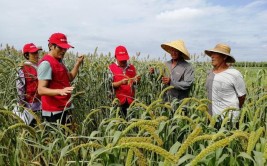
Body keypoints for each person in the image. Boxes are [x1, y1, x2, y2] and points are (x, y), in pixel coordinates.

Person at [37, 32, 84, 125]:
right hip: (54, 112)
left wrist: (78, 63)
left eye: (65, 48)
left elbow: (70, 77)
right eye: (60, 47)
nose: (63, 51)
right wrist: (60, 91)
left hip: (64, 107)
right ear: (51, 46)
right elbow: (41, 90)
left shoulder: (59, 62)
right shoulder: (46, 64)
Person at [205, 43, 246, 126]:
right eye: (211, 54)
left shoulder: (234, 74)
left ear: (224, 57)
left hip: (229, 121)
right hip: (213, 119)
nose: (212, 56)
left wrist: (234, 110)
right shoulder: (210, 73)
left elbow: (242, 96)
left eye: (215, 54)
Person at [13, 43, 42, 126]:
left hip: (43, 107)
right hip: (30, 108)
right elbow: (20, 90)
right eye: (33, 53)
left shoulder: (41, 66)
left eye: (37, 52)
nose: (37, 55)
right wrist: (21, 106)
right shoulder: (22, 70)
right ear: (26, 55)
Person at [109, 45, 140, 117]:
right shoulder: (111, 68)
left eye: (124, 59)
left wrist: (137, 81)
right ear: (115, 57)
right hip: (117, 103)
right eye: (121, 59)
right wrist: (121, 82)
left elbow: (135, 83)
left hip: (131, 102)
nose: (123, 61)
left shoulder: (132, 68)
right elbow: (109, 85)